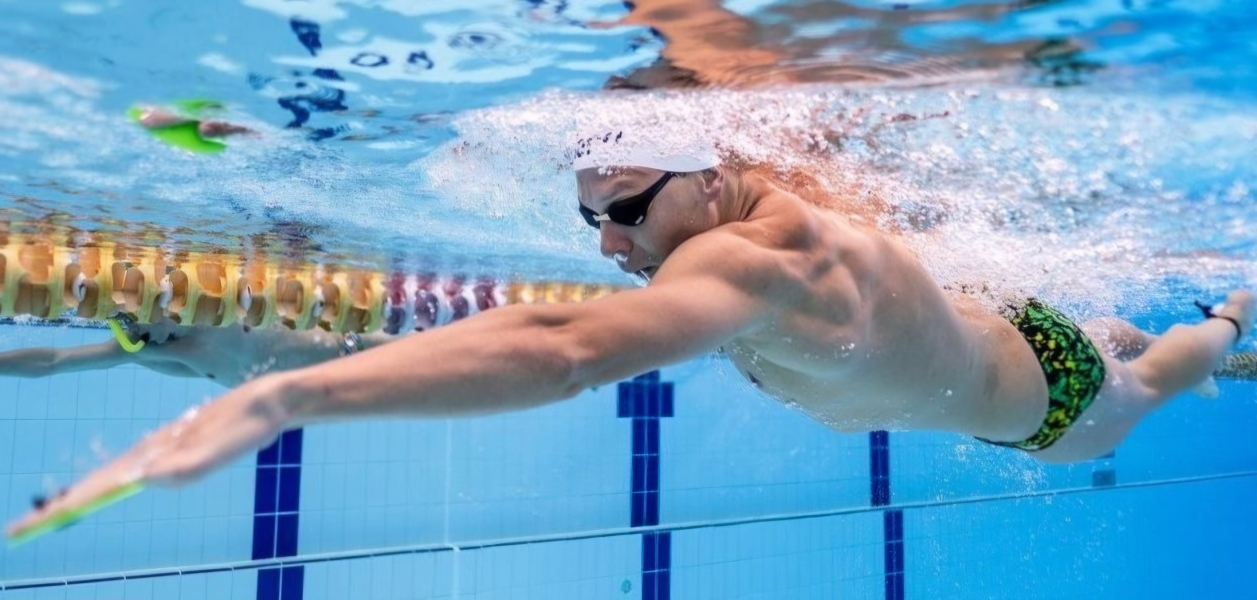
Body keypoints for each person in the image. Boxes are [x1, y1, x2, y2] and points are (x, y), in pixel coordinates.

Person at [6, 135, 1252, 538]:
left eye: (626, 212)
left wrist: (283, 402)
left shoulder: (753, 260)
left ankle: (1235, 311)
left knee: (1159, 378)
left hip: (1051, 400)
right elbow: (568, 315)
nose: (608, 243)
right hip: (992, 332)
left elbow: (565, 349)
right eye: (589, 217)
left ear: (714, 181)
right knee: (1081, 326)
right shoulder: (724, 229)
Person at [0, 316, 388, 388]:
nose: (145, 327)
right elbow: (55, 361)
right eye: (137, 328)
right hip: (339, 384)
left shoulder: (221, 299)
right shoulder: (153, 352)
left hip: (355, 343)